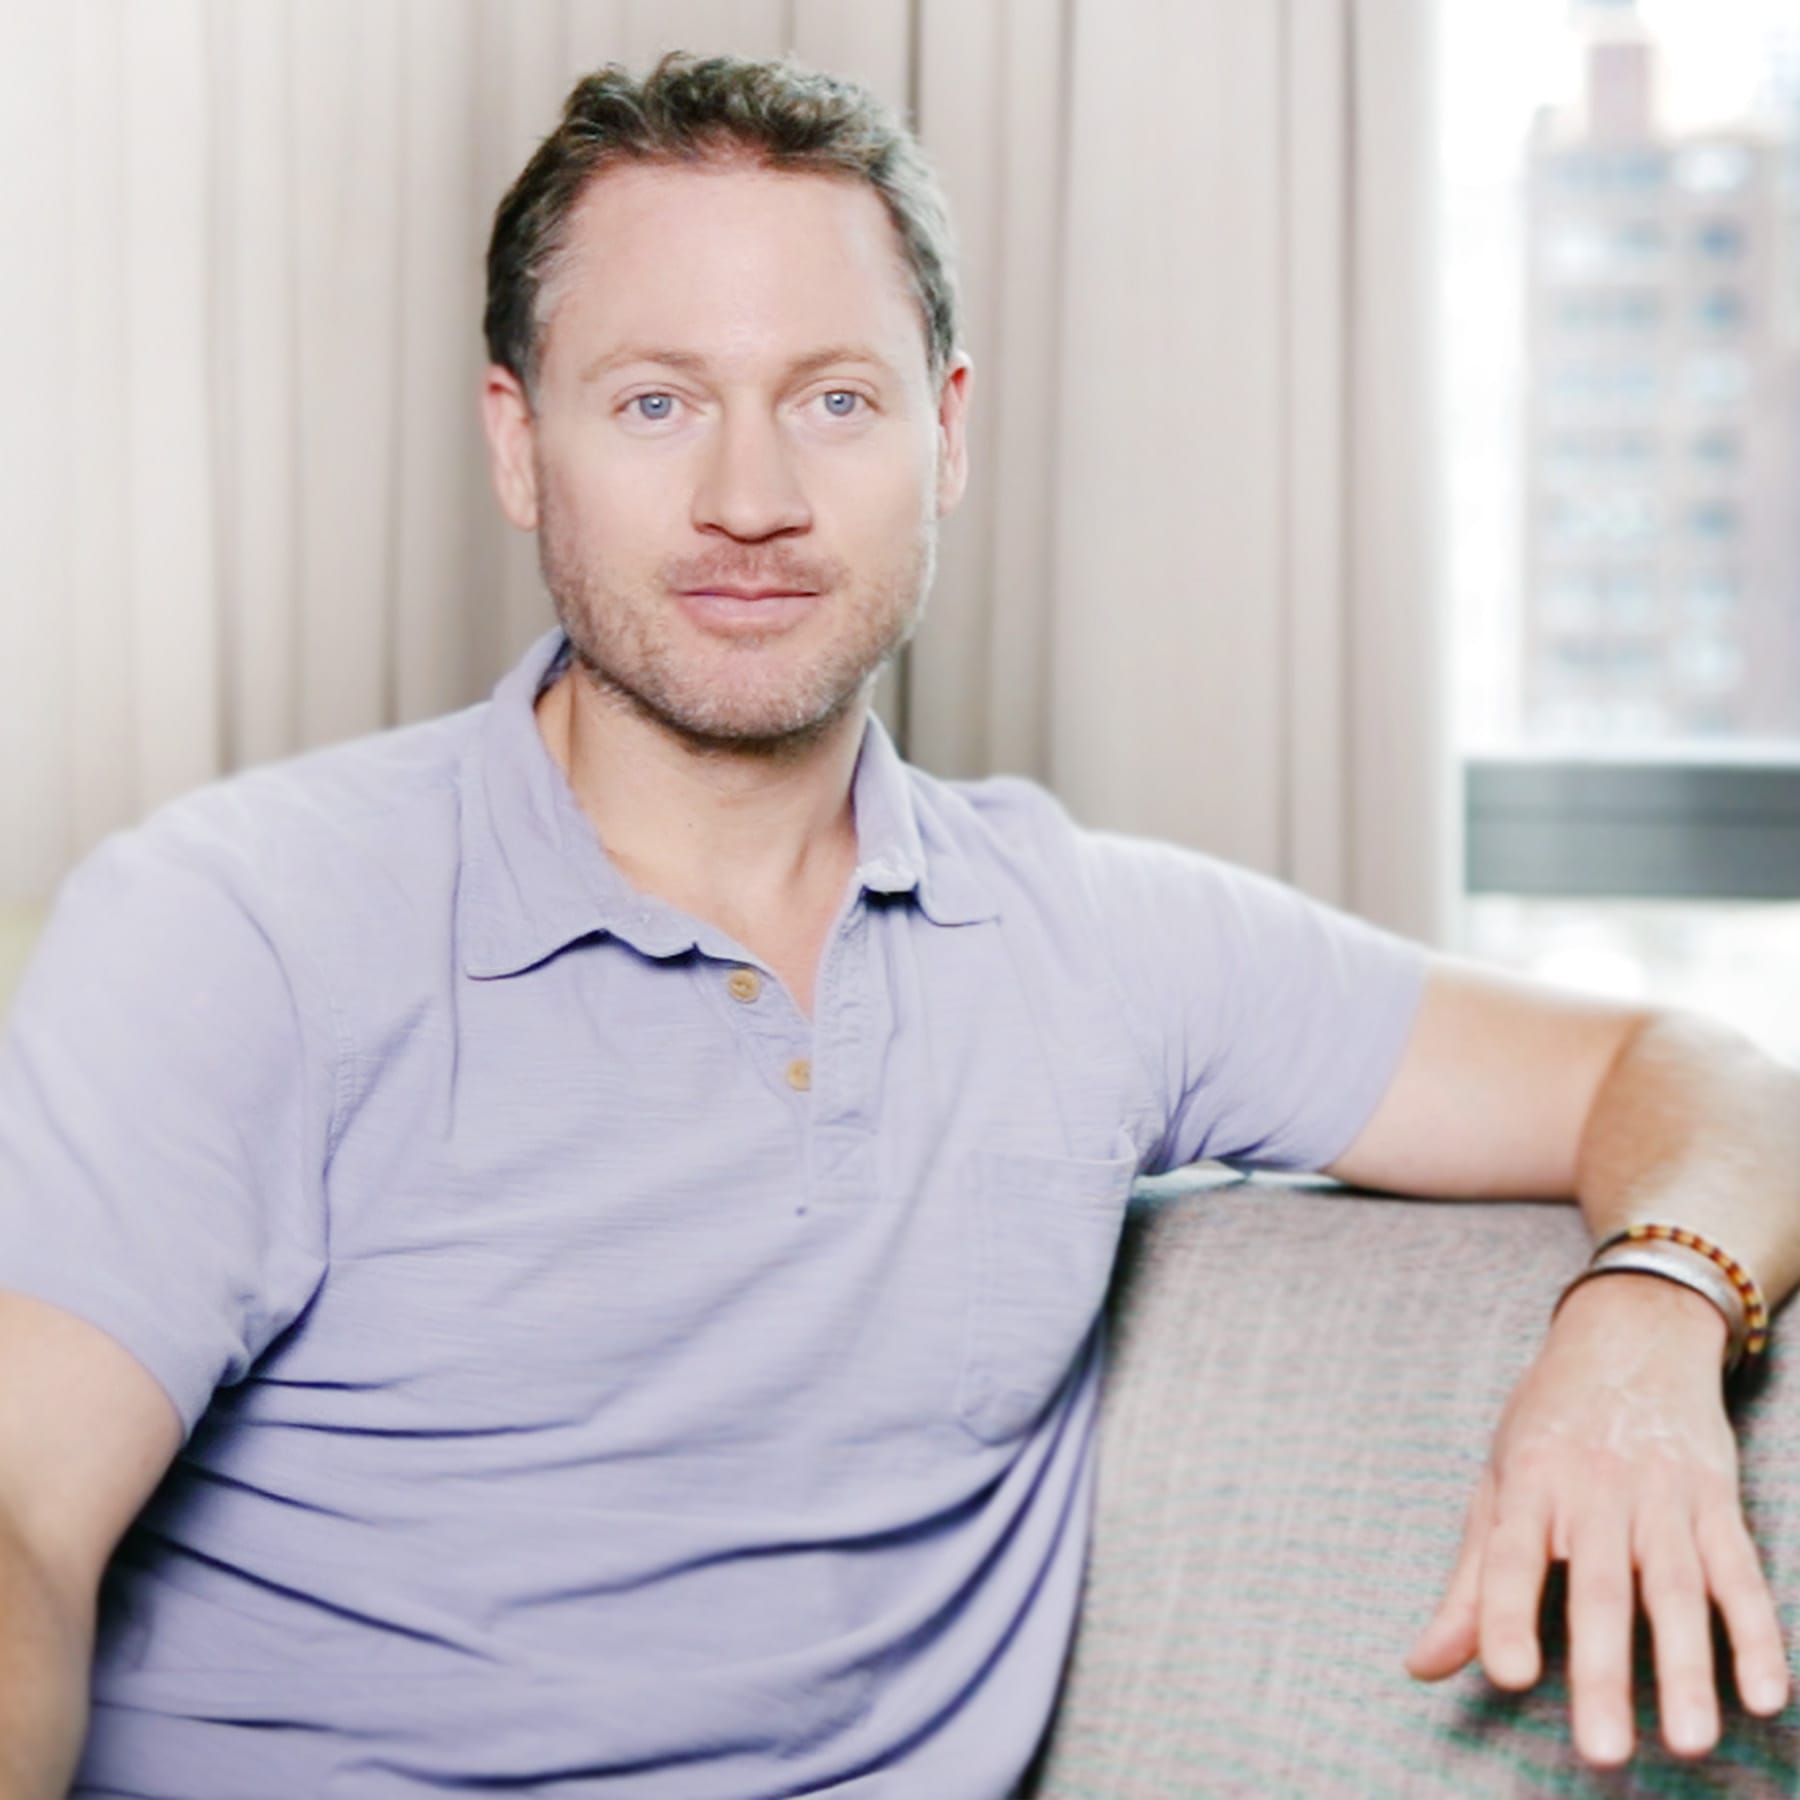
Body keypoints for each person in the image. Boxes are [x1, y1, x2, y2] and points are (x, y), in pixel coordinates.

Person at [0, 52, 1795, 1800]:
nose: (751, 500)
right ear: (517, 442)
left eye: (836, 400)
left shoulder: (1096, 946)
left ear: (946, 436)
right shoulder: (239, 926)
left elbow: (1694, 1074)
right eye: (655, 402)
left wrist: (1644, 1323)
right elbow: (17, 1524)